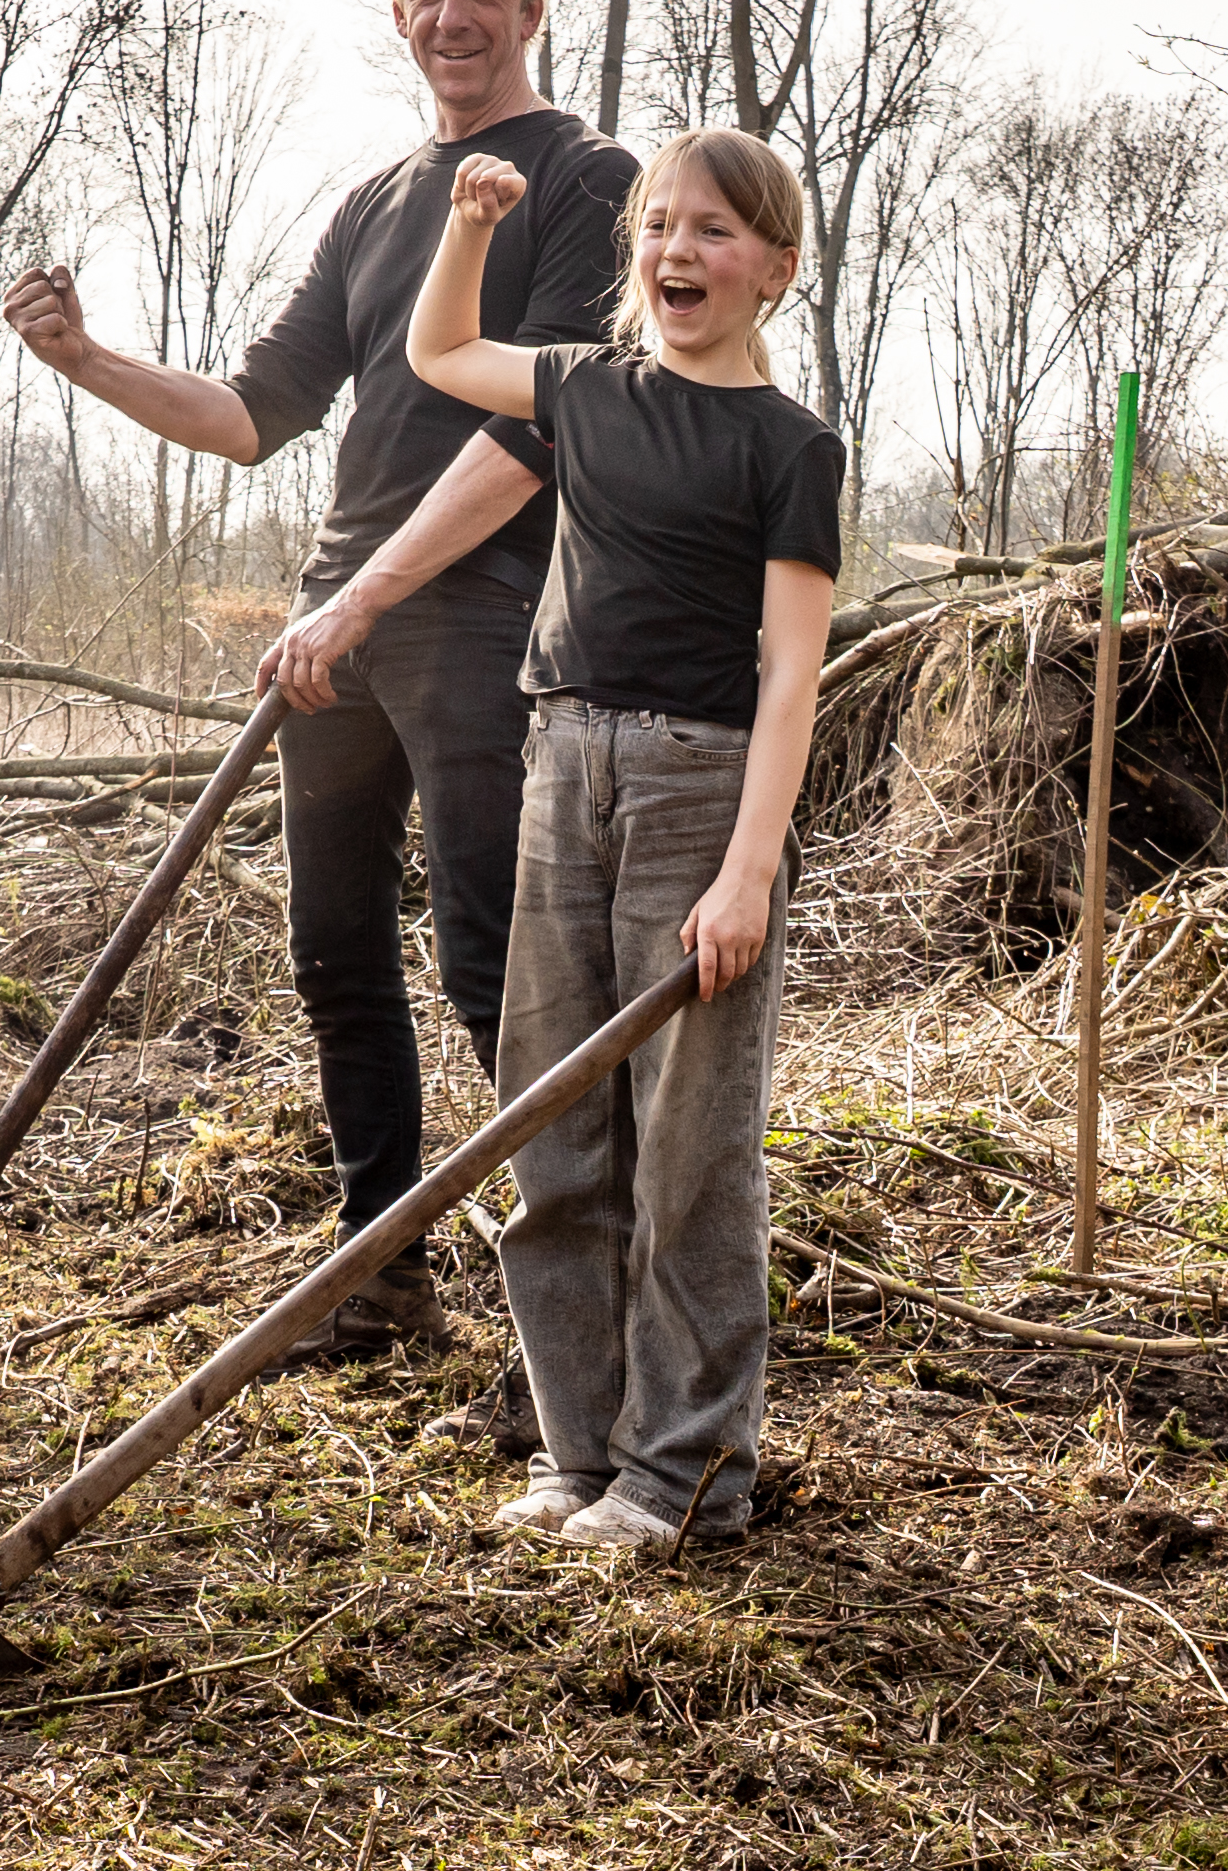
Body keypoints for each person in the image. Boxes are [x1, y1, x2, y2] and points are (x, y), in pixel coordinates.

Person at [1, 0, 635, 1365]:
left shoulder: (588, 179)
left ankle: (590, 1311)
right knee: (337, 956)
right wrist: (87, 359)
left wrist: (363, 597)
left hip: (481, 619)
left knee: (497, 966)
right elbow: (253, 408)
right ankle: (382, 1275)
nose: (452, 14)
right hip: (338, 630)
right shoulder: (373, 203)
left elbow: (531, 430)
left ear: (535, 4)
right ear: (400, 9)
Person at [402, 125, 843, 1549]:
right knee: (550, 1119)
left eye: (714, 231)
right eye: (658, 225)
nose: (675, 252)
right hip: (562, 763)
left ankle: (684, 1473)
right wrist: (469, 223)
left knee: (691, 1148)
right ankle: (575, 1453)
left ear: (774, 266)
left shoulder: (790, 446)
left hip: (698, 787)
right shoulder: (588, 390)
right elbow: (442, 352)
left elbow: (791, 673)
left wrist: (748, 869)